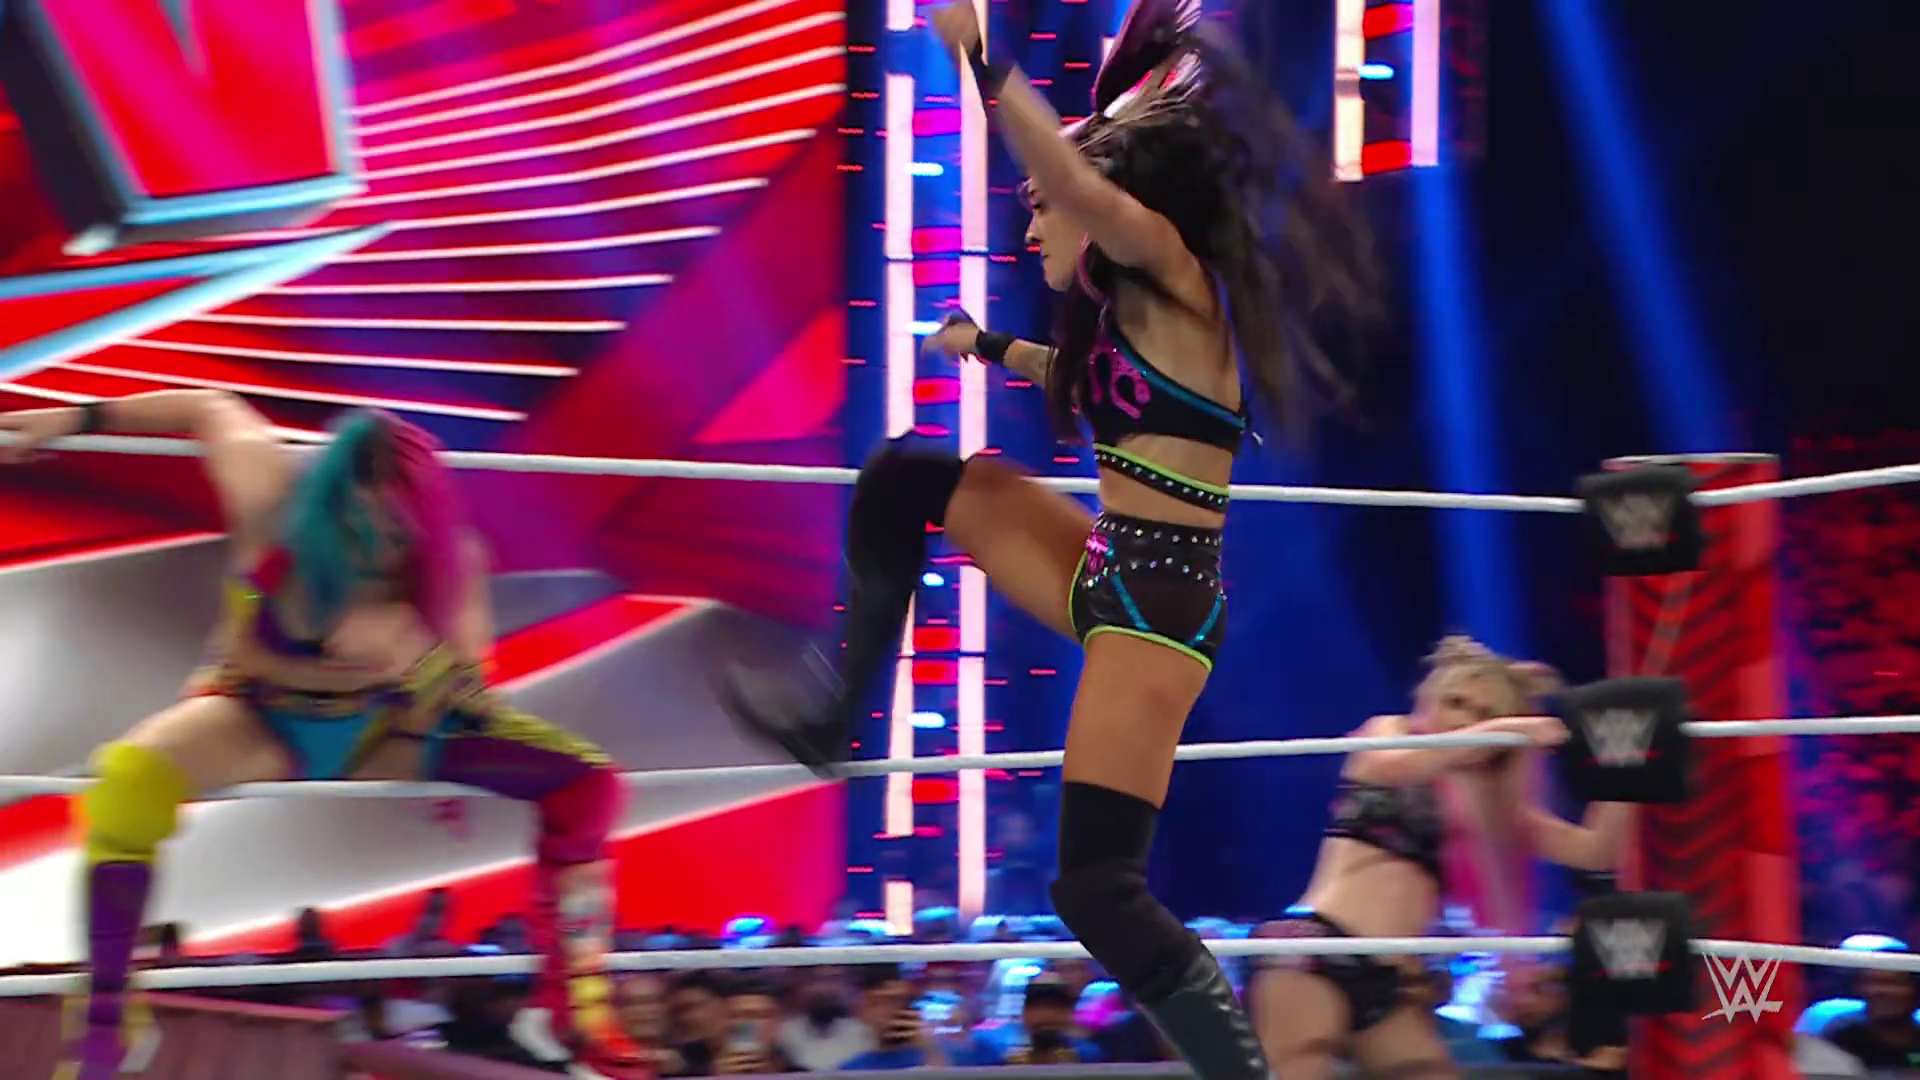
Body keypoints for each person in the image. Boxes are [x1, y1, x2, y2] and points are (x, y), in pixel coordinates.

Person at [719, 1, 1376, 1076]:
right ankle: (833, 719)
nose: (1032, 231)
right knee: (908, 475)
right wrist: (990, 348)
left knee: (1097, 887)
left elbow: (1071, 181)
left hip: (1159, 614)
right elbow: (1083, 376)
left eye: (1039, 213)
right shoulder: (1131, 318)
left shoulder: (1171, 269)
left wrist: (982, 59)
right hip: (1110, 566)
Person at [0, 393, 649, 1080]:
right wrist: (75, 420)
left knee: (588, 783)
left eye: (396, 534)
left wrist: (424, 670)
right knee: (127, 779)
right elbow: (210, 408)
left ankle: (576, 999)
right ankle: (105, 1016)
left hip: (385, 731)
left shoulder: (452, 563)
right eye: (357, 527)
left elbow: (472, 685)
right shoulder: (268, 497)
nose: (377, 549)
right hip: (258, 717)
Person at [1250, 636, 1635, 1079]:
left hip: (1390, 979)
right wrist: (1514, 728)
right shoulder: (1389, 735)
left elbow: (1594, 851)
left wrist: (1627, 759)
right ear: (1429, 698)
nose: (1463, 718)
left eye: (1483, 713)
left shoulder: (1492, 810)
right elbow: (1394, 768)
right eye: (1455, 702)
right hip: (1317, 945)